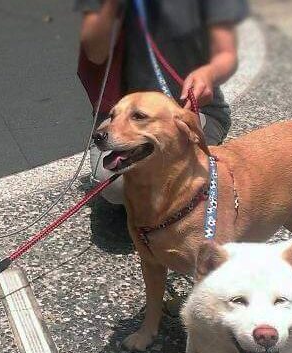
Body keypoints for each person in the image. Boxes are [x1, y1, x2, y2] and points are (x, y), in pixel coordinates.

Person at [76, 0, 249, 204]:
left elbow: (226, 54)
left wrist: (209, 73)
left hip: (192, 110)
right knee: (114, 183)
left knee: (174, 172)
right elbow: (95, 53)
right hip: (121, 115)